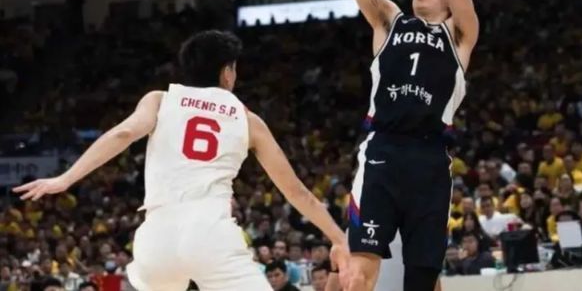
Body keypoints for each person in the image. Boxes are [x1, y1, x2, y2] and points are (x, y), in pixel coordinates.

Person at [13, 30, 350, 291]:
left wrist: (65, 179)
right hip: (209, 233)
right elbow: (296, 192)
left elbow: (122, 134)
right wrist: (338, 237)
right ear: (227, 72)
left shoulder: (160, 99)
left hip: (155, 238)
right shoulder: (248, 120)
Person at [340, 0, 478, 291]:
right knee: (359, 274)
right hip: (382, 151)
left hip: (431, 160)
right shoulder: (389, 21)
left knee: (423, 280)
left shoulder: (460, 34)